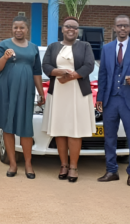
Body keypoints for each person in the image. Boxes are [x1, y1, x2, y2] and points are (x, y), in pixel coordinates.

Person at [95, 15, 130, 186]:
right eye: (119, 26)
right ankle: (111, 170)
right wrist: (100, 98)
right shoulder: (107, 48)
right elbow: (103, 74)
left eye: (125, 26)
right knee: (109, 138)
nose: (122, 29)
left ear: (129, 28)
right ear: (114, 27)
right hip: (111, 99)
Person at [0, 16, 45, 179]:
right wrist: (5, 57)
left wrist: (40, 92)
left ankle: (28, 164)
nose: (18, 30)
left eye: (22, 28)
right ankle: (13, 164)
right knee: (8, 126)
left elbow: (37, 72)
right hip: (5, 89)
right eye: (15, 27)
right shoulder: (4, 45)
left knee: (26, 127)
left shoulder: (33, 48)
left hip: (25, 90)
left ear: (27, 29)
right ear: (12, 29)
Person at [41, 17, 95, 183]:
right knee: (59, 130)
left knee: (75, 131)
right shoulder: (53, 46)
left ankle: (73, 167)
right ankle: (63, 165)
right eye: (68, 26)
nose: (71, 29)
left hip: (77, 92)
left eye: (75, 27)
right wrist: (59, 74)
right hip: (58, 93)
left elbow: (89, 65)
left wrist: (70, 76)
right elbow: (46, 66)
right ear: (62, 29)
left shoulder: (85, 46)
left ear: (77, 30)